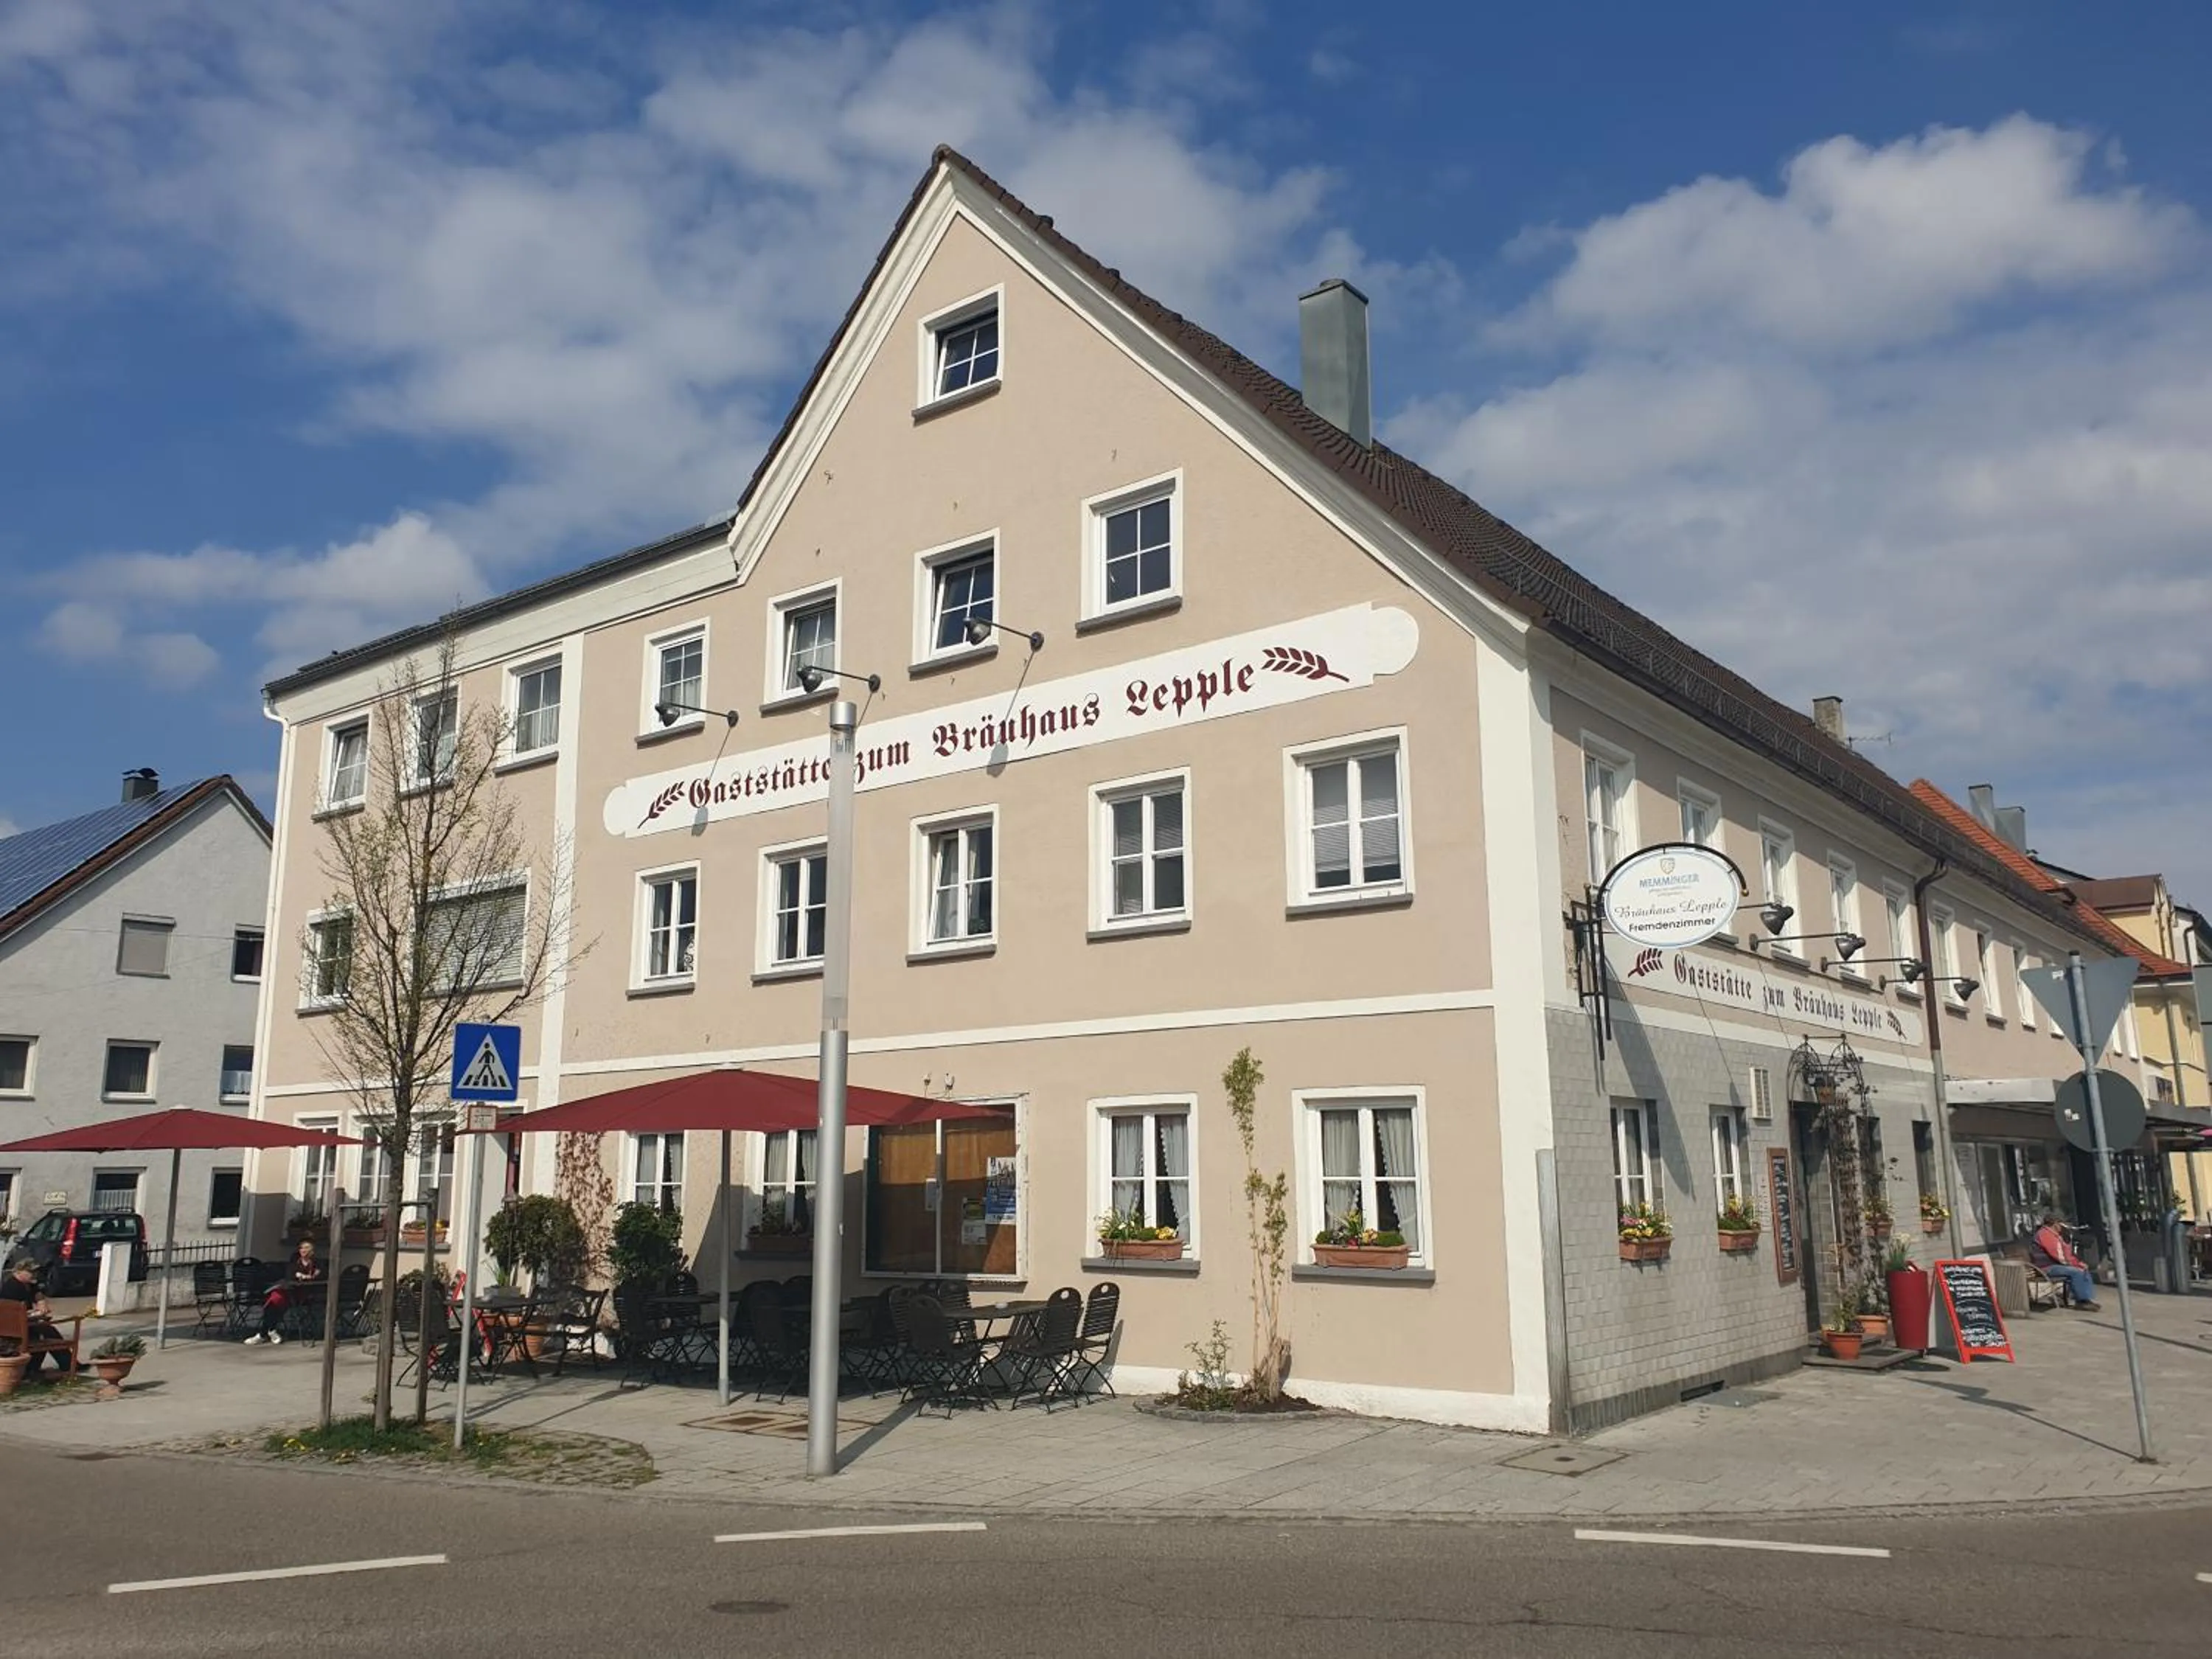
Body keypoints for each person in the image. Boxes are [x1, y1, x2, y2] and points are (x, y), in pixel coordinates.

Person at [1, 1259, 74, 1377]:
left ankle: (67, 1364)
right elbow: (14, 1313)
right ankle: (67, 1364)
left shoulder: (28, 1284)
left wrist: (41, 1302)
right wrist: (34, 1315)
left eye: (35, 1272)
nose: (34, 1275)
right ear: (19, 1272)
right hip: (17, 1329)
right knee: (47, 1333)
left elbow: (37, 1292)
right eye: (31, 1272)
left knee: (49, 1331)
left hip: (25, 1324)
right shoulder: (11, 1288)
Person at [246, 1239, 324, 1345]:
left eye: (307, 1248)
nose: (303, 1250)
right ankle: (271, 1331)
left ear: (312, 1251)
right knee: (275, 1300)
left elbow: (320, 1276)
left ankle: (263, 1334)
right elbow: (290, 1276)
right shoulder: (294, 1262)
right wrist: (299, 1275)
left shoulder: (317, 1263)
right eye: (301, 1248)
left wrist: (309, 1276)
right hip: (290, 1291)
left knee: (275, 1303)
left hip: (305, 1294)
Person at [2031, 1214, 2102, 1312]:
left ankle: (2086, 1299)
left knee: (2082, 1269)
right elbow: (2059, 1256)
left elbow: (2066, 1254)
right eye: (2061, 1224)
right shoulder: (2045, 1234)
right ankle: (2082, 1301)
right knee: (2076, 1272)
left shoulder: (2055, 1235)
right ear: (2055, 1224)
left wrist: (2078, 1263)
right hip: (2046, 1267)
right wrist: (2075, 1265)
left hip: (2055, 1265)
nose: (2063, 1226)